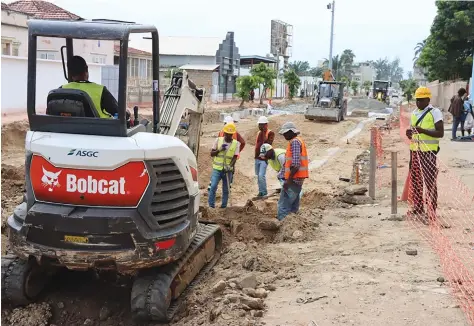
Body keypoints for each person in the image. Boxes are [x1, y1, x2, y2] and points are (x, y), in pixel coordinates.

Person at [406, 86, 444, 223]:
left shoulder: (435, 112)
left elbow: (440, 133)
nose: (418, 103)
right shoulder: (415, 113)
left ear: (428, 99)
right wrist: (410, 134)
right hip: (415, 152)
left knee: (430, 182)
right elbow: (414, 133)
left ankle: (432, 210)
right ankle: (418, 206)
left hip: (428, 153)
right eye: (417, 100)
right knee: (416, 181)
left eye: (421, 100)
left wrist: (422, 130)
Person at [277, 122, 309, 221]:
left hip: (293, 179)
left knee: (283, 206)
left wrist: (288, 181)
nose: (284, 136)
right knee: (293, 207)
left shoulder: (294, 142)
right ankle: (292, 226)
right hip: (297, 179)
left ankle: (282, 226)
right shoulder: (299, 141)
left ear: (291, 132)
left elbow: (295, 165)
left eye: (285, 133)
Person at [207, 116, 245, 192]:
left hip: (222, 155)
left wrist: (236, 151)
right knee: (230, 169)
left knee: (217, 169)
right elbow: (243, 142)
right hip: (230, 156)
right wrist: (236, 152)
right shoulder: (235, 132)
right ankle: (228, 185)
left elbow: (217, 143)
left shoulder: (222, 132)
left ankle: (212, 185)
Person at [208, 123, 240, 209]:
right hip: (217, 169)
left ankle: (224, 207)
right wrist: (220, 149)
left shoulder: (236, 144)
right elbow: (212, 154)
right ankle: (211, 206)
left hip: (228, 170)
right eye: (227, 134)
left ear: (232, 134)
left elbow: (235, 157)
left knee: (226, 189)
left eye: (230, 134)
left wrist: (230, 166)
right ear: (224, 133)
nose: (228, 136)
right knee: (213, 186)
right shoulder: (218, 140)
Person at [254, 116, 275, 197]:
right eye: (259, 125)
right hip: (257, 158)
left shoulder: (270, 133)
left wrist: (263, 133)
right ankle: (261, 192)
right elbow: (257, 145)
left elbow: (268, 144)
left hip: (264, 158)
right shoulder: (258, 133)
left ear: (266, 125)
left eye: (262, 125)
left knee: (261, 175)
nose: (260, 127)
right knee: (258, 176)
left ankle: (264, 192)